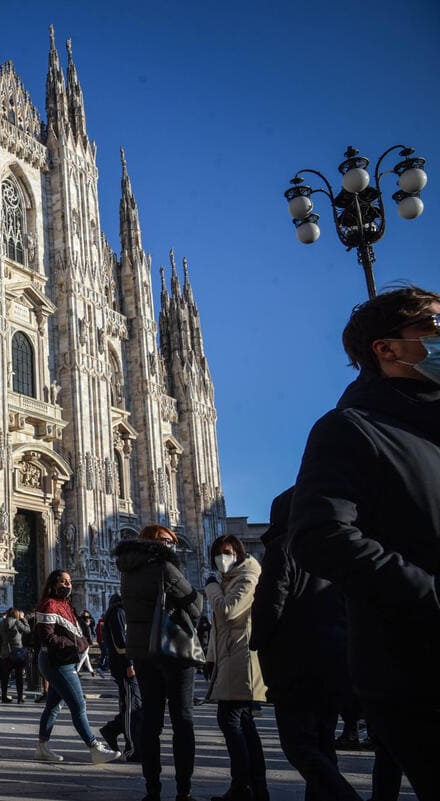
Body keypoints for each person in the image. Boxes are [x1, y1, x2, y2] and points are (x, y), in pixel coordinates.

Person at [289, 286, 440, 801]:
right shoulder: (350, 429)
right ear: (387, 348)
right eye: (435, 329)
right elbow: (321, 536)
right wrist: (430, 593)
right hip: (417, 673)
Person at [250, 489, 362, 801]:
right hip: (334, 658)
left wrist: (259, 640)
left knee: (298, 745)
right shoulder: (330, 546)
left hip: (295, 662)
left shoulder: (283, 546)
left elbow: (272, 599)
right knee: (324, 741)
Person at [115, 525, 203, 801]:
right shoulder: (165, 568)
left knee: (151, 723)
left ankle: (152, 790)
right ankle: (183, 791)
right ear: (155, 543)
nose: (171, 546)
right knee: (182, 720)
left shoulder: (126, 572)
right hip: (172, 650)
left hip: (143, 652)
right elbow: (194, 604)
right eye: (167, 541)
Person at [203, 535, 268, 801]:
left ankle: (242, 787)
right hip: (231, 657)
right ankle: (254, 789)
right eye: (218, 553)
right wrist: (210, 658)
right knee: (242, 724)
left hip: (241, 658)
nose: (222, 557)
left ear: (238, 553)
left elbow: (228, 611)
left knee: (231, 722)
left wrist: (211, 588)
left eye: (227, 552)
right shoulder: (230, 578)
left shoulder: (247, 576)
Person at [32, 570, 120, 765]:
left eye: (70, 581)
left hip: (64, 659)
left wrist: (81, 640)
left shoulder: (65, 605)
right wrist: (75, 643)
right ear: (53, 584)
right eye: (63, 581)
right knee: (79, 705)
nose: (68, 585)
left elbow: (72, 632)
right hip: (56, 662)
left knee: (53, 706)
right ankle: (94, 747)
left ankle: (42, 747)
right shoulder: (48, 605)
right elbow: (47, 638)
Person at [99, 593, 142, 762]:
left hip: (129, 665)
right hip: (125, 667)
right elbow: (121, 643)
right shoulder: (118, 612)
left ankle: (112, 729)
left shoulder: (122, 611)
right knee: (131, 707)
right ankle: (132, 748)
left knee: (134, 705)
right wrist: (130, 663)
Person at [0, 607, 29, 704]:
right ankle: (20, 697)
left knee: (5, 677)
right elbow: (28, 630)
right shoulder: (17, 622)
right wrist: (23, 619)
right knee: (19, 676)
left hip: (5, 652)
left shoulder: (1, 623)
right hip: (17, 652)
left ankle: (4, 696)